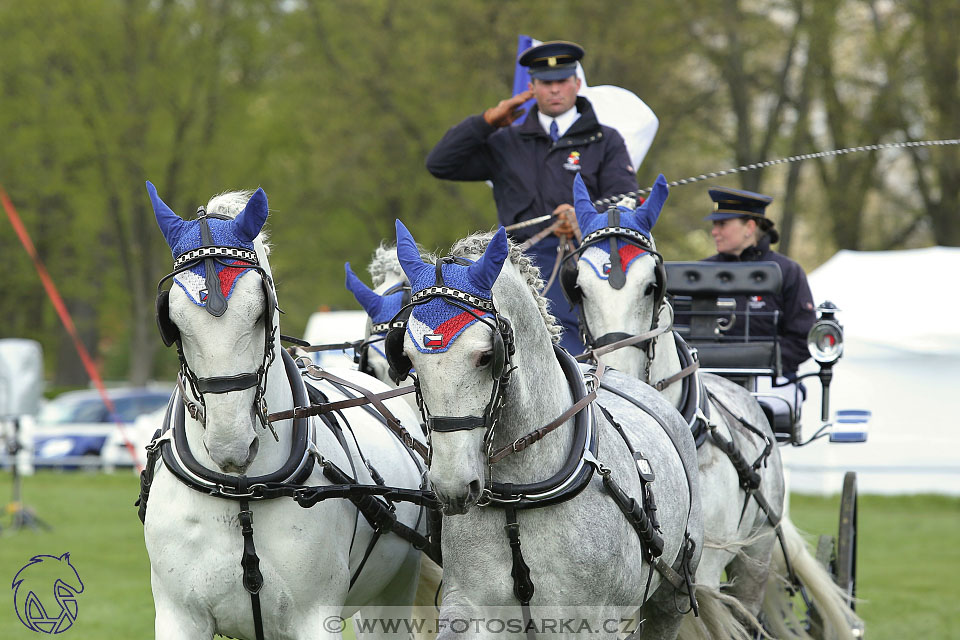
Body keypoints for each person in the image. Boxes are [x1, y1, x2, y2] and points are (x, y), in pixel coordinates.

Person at [426, 40, 639, 354]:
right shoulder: (506, 141)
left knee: (571, 345)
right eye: (546, 83)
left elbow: (624, 201)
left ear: (577, 84)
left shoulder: (605, 140)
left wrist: (583, 216)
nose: (554, 90)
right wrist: (486, 122)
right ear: (532, 87)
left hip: (582, 261)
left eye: (562, 81)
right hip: (518, 261)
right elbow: (440, 163)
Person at [703, 186, 817, 409]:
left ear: (750, 227)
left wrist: (757, 362)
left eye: (722, 224)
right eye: (715, 224)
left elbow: (803, 338)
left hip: (770, 379)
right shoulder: (698, 275)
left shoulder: (788, 271)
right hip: (708, 378)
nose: (714, 231)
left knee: (761, 414)